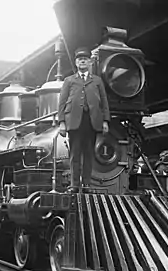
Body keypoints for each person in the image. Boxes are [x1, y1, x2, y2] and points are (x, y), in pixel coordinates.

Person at [58, 47, 110, 193]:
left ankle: (87, 184)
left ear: (90, 62)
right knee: (74, 154)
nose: (82, 61)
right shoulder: (69, 81)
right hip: (74, 121)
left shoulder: (97, 81)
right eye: (80, 59)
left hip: (92, 121)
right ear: (76, 63)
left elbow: (104, 103)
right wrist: (62, 122)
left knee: (89, 153)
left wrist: (105, 121)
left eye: (85, 59)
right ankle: (74, 185)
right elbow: (62, 103)